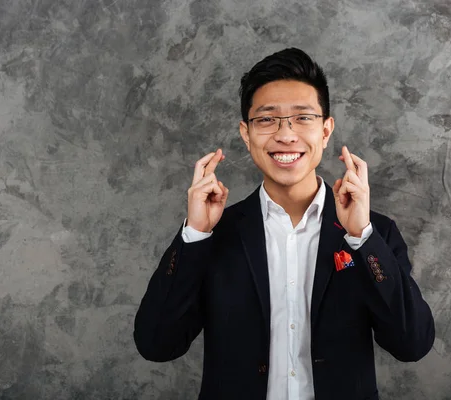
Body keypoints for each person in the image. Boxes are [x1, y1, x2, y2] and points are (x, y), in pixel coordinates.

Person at [133, 47, 435, 400]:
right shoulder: (215, 233)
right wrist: (195, 236)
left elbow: (412, 344)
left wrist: (361, 237)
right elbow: (157, 344)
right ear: (246, 134)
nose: (286, 135)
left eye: (303, 118)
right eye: (267, 119)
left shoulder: (374, 232)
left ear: (326, 130)